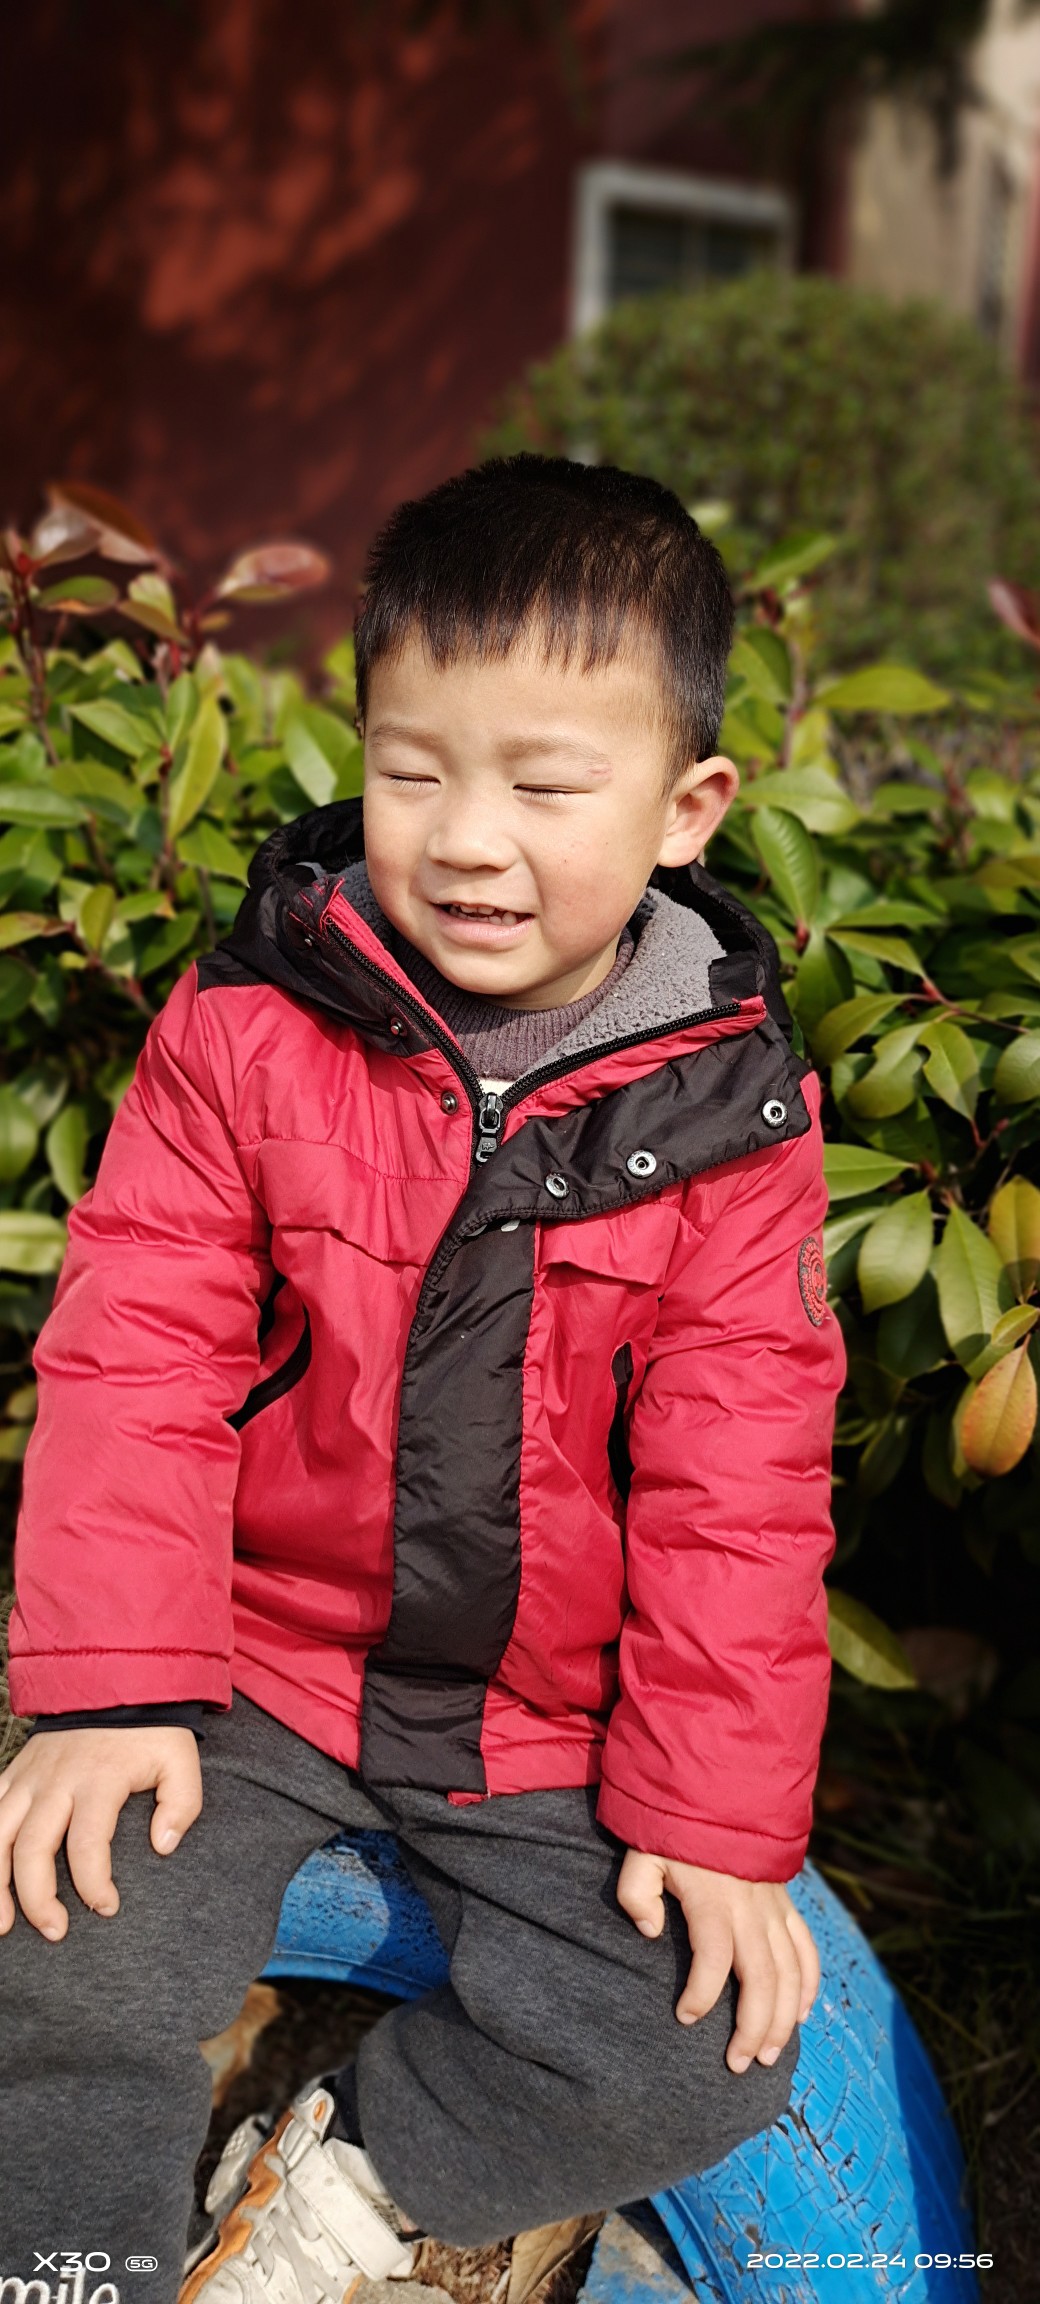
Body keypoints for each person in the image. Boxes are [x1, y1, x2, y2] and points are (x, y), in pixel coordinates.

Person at [0, 456, 844, 2304]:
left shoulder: (731, 1121)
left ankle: (349, 2187)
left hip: (546, 1725)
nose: (466, 839)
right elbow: (140, 1348)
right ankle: (64, 2271)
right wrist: (116, 1685)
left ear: (687, 809)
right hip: (256, 1661)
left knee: (709, 2042)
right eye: (412, 772)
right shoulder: (253, 1031)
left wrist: (709, 1820)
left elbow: (742, 1484)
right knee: (52, 1933)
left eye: (544, 787)